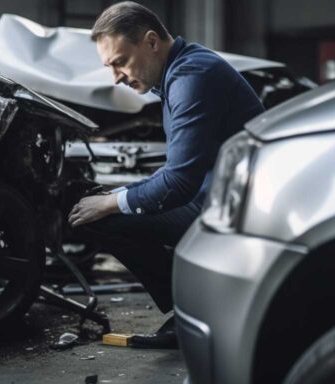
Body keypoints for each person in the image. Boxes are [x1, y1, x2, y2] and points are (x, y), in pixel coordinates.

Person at [68, 1, 265, 348]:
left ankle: (194, 308)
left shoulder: (192, 78)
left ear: (150, 42)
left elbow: (176, 183)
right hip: (215, 200)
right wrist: (112, 197)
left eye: (120, 62)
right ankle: (192, 305)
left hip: (230, 214)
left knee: (103, 217)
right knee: (107, 205)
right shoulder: (181, 70)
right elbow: (179, 174)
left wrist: (109, 202)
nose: (116, 77)